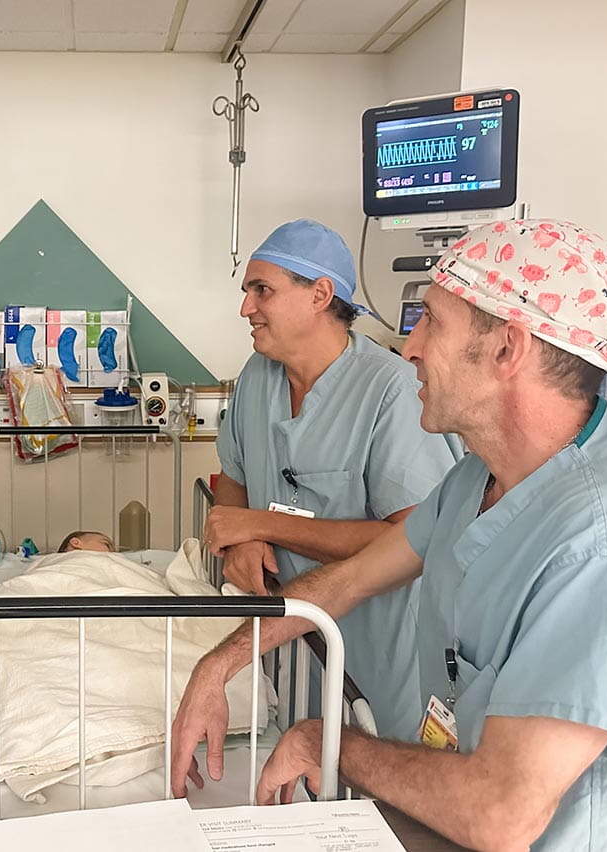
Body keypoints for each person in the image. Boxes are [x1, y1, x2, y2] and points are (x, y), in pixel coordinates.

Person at [171, 219, 607, 851]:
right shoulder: (478, 479)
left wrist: (322, 739)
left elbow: (500, 813)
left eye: (431, 322)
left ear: (507, 349)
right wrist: (218, 663)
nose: (408, 347)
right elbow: (350, 580)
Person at [207, 219, 462, 738]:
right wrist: (246, 540)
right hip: (292, 642)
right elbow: (232, 474)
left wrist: (262, 524)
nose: (245, 308)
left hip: (378, 648)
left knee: (376, 780)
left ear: (320, 295)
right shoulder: (258, 376)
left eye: (262, 290)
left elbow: (413, 537)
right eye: (247, 291)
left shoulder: (391, 392)